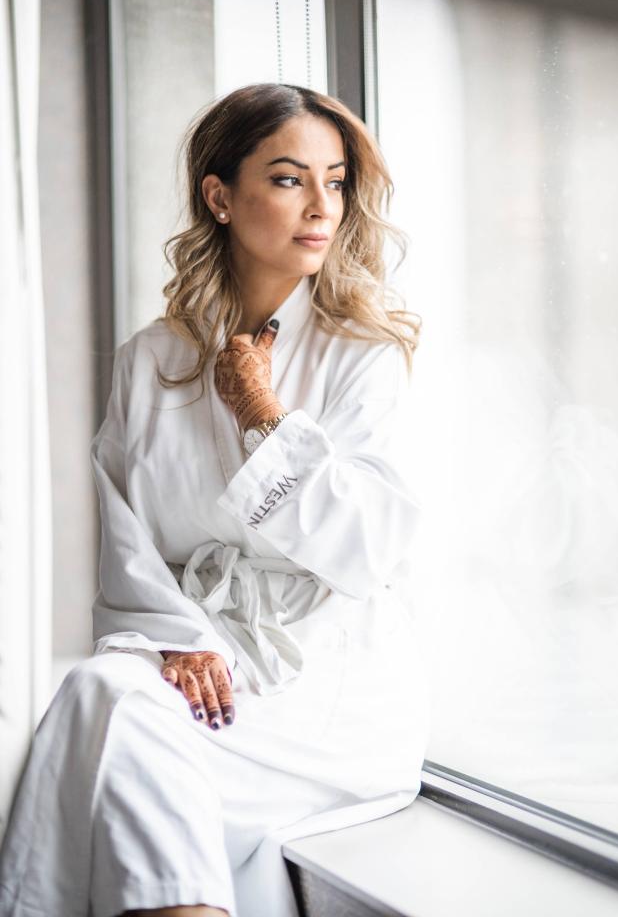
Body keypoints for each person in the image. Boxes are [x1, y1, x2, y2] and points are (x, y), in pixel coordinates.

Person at [0, 82, 430, 917]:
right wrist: (180, 638)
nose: (321, 206)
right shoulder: (150, 359)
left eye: (336, 182)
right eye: (288, 179)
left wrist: (264, 417)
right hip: (199, 667)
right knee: (107, 696)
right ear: (219, 196)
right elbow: (124, 535)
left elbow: (368, 548)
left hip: (328, 684)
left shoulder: (363, 353)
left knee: (105, 708)